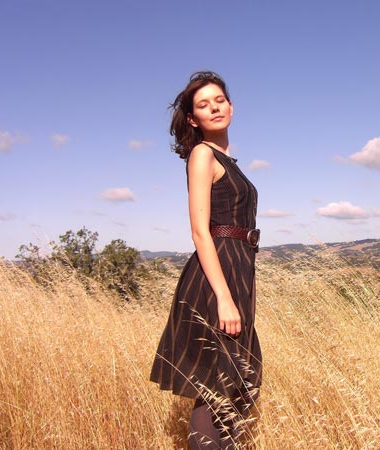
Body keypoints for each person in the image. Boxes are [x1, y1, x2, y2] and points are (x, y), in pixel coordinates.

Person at [150, 71, 262, 449]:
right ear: (193, 119)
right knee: (217, 385)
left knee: (241, 381)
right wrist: (225, 297)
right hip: (216, 274)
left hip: (239, 268)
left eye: (219, 100)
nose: (214, 107)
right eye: (203, 105)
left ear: (231, 106)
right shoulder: (202, 154)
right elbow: (200, 230)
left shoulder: (230, 161)